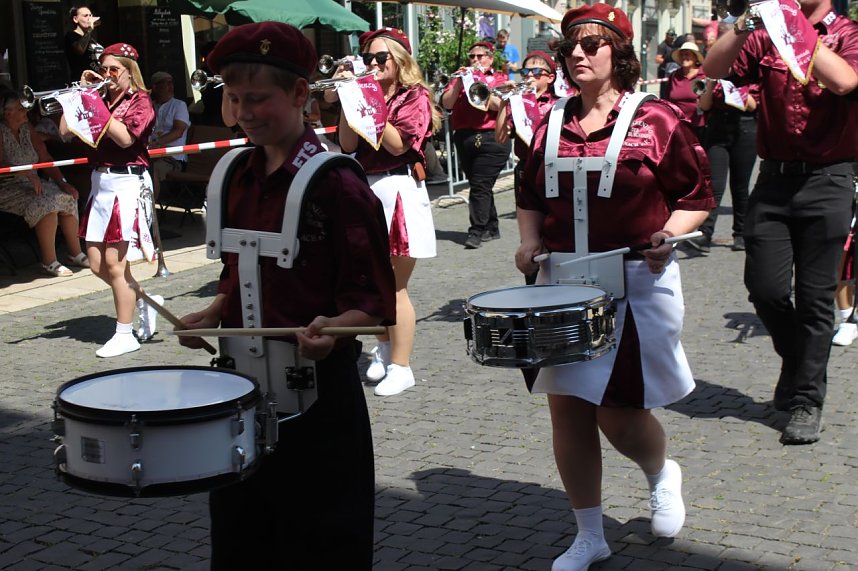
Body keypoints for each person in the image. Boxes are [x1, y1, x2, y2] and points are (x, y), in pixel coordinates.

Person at [176, 22, 396, 570]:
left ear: (300, 93)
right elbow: (237, 273)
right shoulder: (235, 175)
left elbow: (373, 303)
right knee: (240, 542)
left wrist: (334, 330)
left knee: (320, 547)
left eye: (257, 98)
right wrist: (214, 311)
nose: (243, 113)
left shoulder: (339, 185)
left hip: (319, 403)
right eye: (233, 98)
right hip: (240, 394)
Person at [514, 5, 714, 569]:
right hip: (560, 282)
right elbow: (529, 193)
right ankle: (589, 535)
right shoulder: (550, 121)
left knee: (617, 412)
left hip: (633, 282)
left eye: (591, 44)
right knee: (568, 411)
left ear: (618, 54)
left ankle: (660, 471)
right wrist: (528, 241)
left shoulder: (658, 119)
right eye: (570, 46)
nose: (577, 54)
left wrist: (668, 234)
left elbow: (696, 196)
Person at [705, 0, 858, 444]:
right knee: (765, 289)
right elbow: (715, 68)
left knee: (815, 299)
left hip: (828, 178)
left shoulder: (848, 34)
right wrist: (745, 23)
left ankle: (808, 399)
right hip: (773, 179)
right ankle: (796, 362)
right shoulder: (765, 32)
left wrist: (793, 24)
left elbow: (844, 81)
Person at [327, 27, 440, 396]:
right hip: (366, 187)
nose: (373, 64)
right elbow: (347, 144)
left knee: (394, 286)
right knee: (369, 281)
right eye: (368, 58)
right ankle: (386, 349)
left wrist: (365, 95)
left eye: (380, 58)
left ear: (399, 60)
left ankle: (402, 366)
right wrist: (348, 96)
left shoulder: (415, 96)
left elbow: (396, 145)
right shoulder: (366, 90)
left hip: (399, 186)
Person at [60, 42, 163, 357]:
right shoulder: (100, 97)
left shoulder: (141, 101)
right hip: (101, 183)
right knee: (95, 263)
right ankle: (144, 301)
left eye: (114, 70)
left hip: (126, 183)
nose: (107, 75)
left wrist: (95, 102)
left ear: (129, 72)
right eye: (103, 69)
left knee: (116, 265)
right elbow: (65, 131)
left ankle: (124, 333)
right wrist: (79, 94)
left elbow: (125, 138)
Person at [0, 89, 88, 276]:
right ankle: (49, 261)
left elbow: (45, 158)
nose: (26, 112)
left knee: (67, 196)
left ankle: (75, 253)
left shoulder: (27, 128)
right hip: (8, 187)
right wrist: (24, 172)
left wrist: (63, 182)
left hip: (33, 183)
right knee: (46, 203)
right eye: (20, 109)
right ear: (8, 114)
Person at [494, 50, 559, 285]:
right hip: (526, 171)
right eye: (525, 71)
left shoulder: (560, 103)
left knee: (556, 225)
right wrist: (504, 102)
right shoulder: (518, 103)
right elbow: (501, 137)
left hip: (554, 170)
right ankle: (533, 284)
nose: (529, 75)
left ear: (550, 77)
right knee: (530, 232)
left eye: (536, 71)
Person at [440, 40, 511, 250]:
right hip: (465, 136)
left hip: (492, 138)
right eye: (472, 56)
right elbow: (447, 103)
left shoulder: (499, 79)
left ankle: (476, 231)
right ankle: (492, 226)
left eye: (480, 56)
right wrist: (460, 82)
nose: (475, 60)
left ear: (490, 59)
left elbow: (499, 105)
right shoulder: (461, 78)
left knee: (480, 185)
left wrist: (479, 83)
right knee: (481, 185)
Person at [695, 36, 758, 253]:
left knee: (740, 186)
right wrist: (712, 82)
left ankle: (740, 233)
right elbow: (704, 105)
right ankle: (705, 233)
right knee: (714, 184)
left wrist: (733, 86)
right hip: (717, 129)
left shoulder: (749, 76)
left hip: (745, 128)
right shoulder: (714, 76)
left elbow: (752, 105)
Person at [148, 71, 190, 202]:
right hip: (150, 154)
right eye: (166, 83)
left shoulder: (179, 105)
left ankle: (151, 210)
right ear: (155, 87)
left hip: (172, 158)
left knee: (152, 170)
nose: (171, 87)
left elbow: (179, 131)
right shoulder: (150, 106)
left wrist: (156, 142)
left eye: (171, 83)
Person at [663, 41, 707, 140]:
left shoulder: (703, 76)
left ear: (695, 57)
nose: (684, 57)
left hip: (699, 127)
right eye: (682, 55)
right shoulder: (674, 76)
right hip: (677, 126)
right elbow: (667, 100)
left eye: (687, 54)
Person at [63, 5, 103, 81]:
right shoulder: (71, 36)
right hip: (82, 81)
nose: (89, 18)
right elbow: (80, 50)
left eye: (90, 15)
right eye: (85, 16)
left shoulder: (90, 38)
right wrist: (90, 29)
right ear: (75, 19)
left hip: (96, 80)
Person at [655, 28, 677, 98]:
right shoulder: (663, 45)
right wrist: (667, 60)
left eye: (672, 36)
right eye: (670, 36)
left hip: (672, 70)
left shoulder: (673, 45)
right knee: (664, 91)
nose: (671, 38)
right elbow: (657, 59)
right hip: (664, 71)